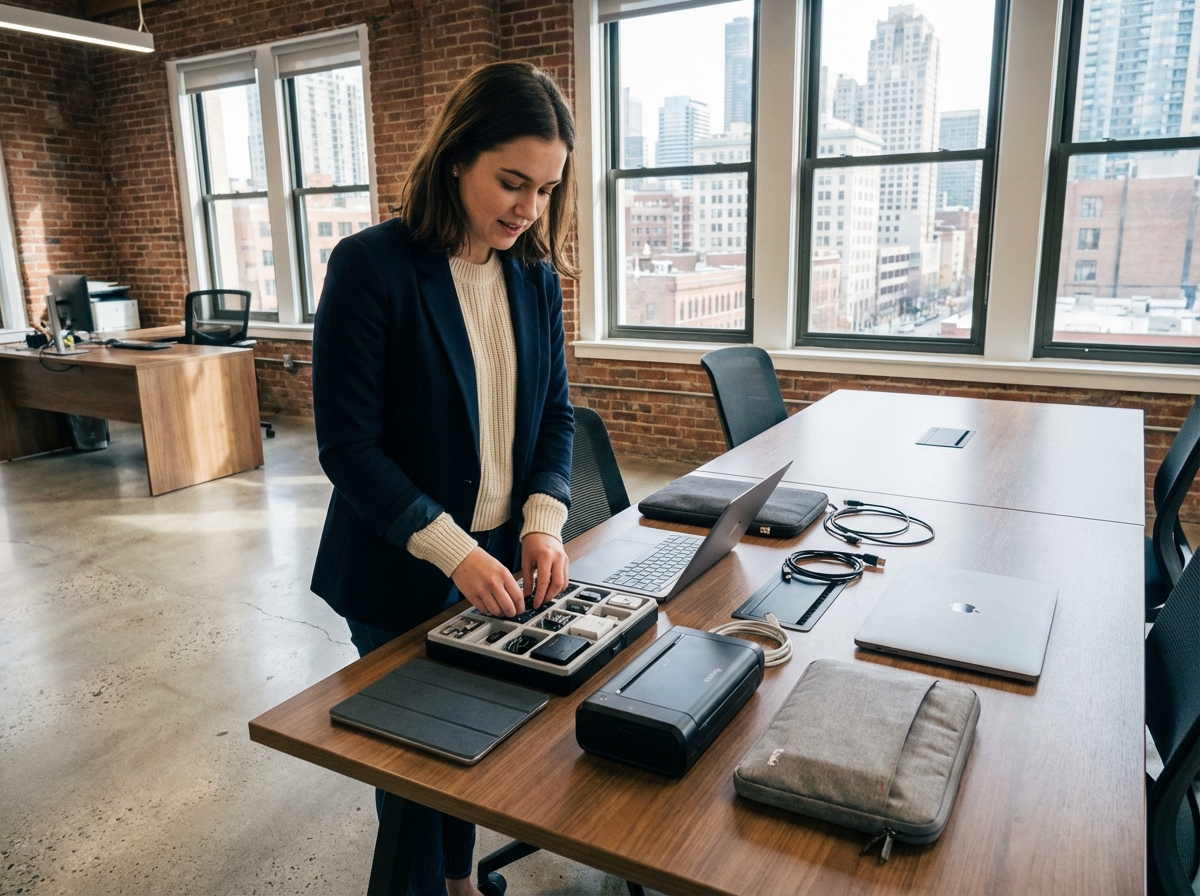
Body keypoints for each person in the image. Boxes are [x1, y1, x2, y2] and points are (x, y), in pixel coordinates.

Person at [310, 61, 577, 896]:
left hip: (499, 553)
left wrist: (541, 520)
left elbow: (556, 420)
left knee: (467, 744)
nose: (528, 208)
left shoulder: (534, 278)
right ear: (458, 156)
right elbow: (348, 447)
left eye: (545, 189)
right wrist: (453, 552)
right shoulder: (372, 267)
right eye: (512, 181)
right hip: (401, 565)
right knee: (418, 781)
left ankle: (461, 886)